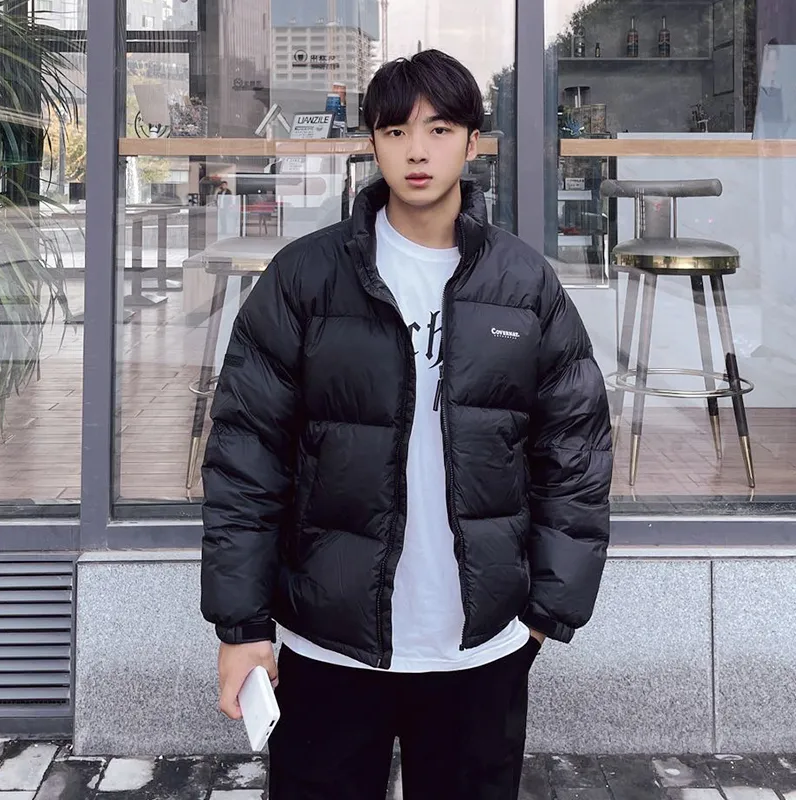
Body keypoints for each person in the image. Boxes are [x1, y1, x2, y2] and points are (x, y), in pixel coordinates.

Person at [201, 49, 612, 800]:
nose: (417, 151)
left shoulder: (524, 284)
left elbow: (574, 451)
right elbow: (245, 457)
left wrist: (549, 611)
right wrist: (242, 628)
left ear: (473, 142)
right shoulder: (305, 278)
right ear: (373, 143)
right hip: (328, 645)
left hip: (479, 649)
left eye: (439, 129)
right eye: (396, 132)